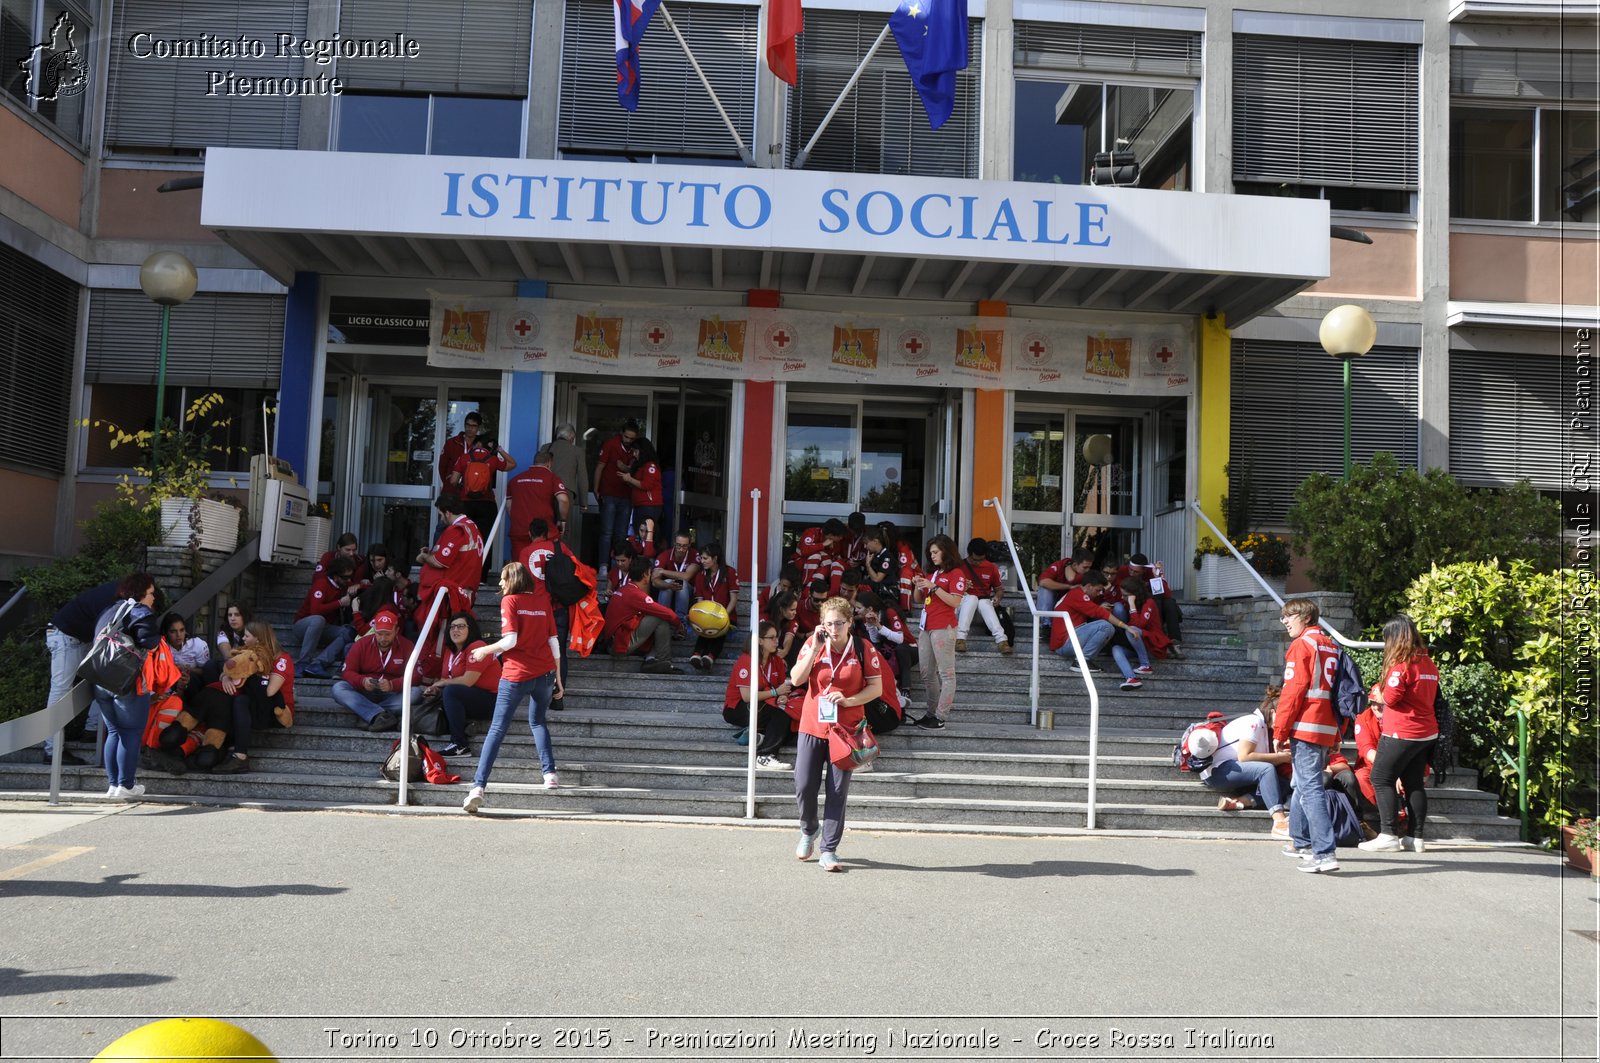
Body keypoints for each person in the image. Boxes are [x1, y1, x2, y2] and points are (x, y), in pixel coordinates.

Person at [788, 596, 885, 872]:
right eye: (829, 623)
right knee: (804, 784)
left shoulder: (863, 649)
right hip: (813, 724)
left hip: (846, 730)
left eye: (839, 623)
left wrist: (848, 700)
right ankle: (809, 829)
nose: (834, 628)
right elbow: (796, 679)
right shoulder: (813, 643)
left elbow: (875, 689)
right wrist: (814, 648)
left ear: (850, 622)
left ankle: (829, 849)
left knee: (837, 790)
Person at [463, 563, 564, 812]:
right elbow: (554, 644)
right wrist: (559, 679)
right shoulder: (543, 602)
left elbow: (510, 640)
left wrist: (483, 650)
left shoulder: (510, 602)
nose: (500, 583)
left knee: (497, 729)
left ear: (513, 579)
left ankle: (478, 787)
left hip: (516, 674)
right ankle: (549, 774)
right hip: (544, 675)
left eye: (503, 578)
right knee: (538, 722)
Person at [1359, 615, 1441, 854]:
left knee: (1381, 778)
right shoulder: (1427, 662)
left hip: (1402, 732)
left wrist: (1380, 693)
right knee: (1413, 783)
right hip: (1426, 732)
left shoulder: (1401, 664)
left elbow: (1391, 699)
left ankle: (1388, 834)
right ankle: (1415, 838)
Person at [1273, 597, 1343, 873]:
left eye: (1288, 616)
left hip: (1307, 724)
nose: (1285, 622)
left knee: (1310, 786)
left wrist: (1279, 729)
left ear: (1303, 617)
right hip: (1327, 724)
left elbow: (1293, 691)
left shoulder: (1302, 645)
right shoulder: (1330, 645)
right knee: (1302, 784)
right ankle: (1300, 842)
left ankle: (1324, 853)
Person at [89, 573, 163, 800]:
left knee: (113, 732)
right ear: (140, 593)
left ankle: (113, 785)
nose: (153, 599)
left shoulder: (110, 610)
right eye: (151, 593)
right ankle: (126, 784)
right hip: (127, 682)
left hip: (102, 680)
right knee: (131, 732)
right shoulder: (139, 610)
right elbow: (150, 640)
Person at [38, 577, 121, 764]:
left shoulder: (116, 593)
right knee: (60, 692)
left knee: (103, 679)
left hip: (74, 637)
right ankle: (52, 750)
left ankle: (91, 729)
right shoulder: (115, 600)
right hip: (67, 638)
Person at [1202, 686, 1292, 836]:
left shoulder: (1264, 729)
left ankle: (1238, 802)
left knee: (1282, 784)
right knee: (1266, 769)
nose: (1284, 724)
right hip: (1218, 770)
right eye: (1283, 718)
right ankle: (1279, 821)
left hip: (1233, 770)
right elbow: (1245, 756)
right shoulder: (1254, 722)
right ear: (1272, 713)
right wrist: (1281, 757)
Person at [211, 621, 295, 775]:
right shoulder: (249, 653)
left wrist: (248, 675)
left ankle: (240, 756)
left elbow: (270, 692)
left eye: (246, 636)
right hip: (256, 705)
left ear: (258, 639)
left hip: (277, 711)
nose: (243, 638)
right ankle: (224, 745)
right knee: (232, 696)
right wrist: (226, 678)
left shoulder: (282, 660)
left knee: (241, 700)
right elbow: (233, 668)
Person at [1049, 570, 1145, 690]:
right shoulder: (1077, 595)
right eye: (1098, 590)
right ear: (1089, 586)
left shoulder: (1077, 594)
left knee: (1104, 625)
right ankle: (1082, 661)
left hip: (1068, 640)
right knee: (1106, 626)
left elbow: (1091, 610)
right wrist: (1126, 627)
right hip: (1065, 643)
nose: (1099, 593)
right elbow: (1101, 613)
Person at [423, 612, 501, 759]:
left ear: (470, 629)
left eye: (460, 626)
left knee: (452, 691)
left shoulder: (478, 647)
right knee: (431, 695)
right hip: (468, 699)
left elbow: (467, 681)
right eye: (452, 627)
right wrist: (435, 689)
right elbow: (445, 679)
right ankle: (464, 727)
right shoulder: (450, 651)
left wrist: (444, 683)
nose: (455, 630)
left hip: (492, 700)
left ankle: (460, 744)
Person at [331, 611, 421, 732]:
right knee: (338, 688)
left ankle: (370, 715)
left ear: (397, 630)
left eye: (388, 634)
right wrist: (362, 681)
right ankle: (380, 715)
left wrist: (392, 685)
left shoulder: (407, 646)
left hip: (392, 693)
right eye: (379, 634)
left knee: (416, 693)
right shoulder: (361, 644)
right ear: (374, 630)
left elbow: (416, 676)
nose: (383, 638)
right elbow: (347, 672)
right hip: (365, 691)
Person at [912, 534, 967, 730]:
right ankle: (931, 713)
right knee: (927, 673)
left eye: (935, 552)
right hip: (927, 626)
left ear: (946, 551)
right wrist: (918, 585)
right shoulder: (933, 573)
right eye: (930, 553)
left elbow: (955, 601)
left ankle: (940, 716)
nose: (932, 556)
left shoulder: (957, 573)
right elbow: (919, 600)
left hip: (944, 627)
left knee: (947, 674)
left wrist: (933, 587)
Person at [724, 620, 795, 770]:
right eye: (772, 638)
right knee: (780, 715)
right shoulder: (746, 661)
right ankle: (765, 756)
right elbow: (747, 696)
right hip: (737, 707)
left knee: (789, 718)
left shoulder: (776, 661)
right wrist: (776, 693)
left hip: (765, 703)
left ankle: (760, 736)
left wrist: (783, 697)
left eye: (777, 637)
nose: (777, 641)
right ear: (760, 640)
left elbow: (781, 687)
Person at [602, 555, 685, 673]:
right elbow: (668, 613)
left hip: (614, 642)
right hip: (618, 645)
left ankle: (650, 660)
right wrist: (679, 626)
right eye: (650, 573)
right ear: (646, 574)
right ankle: (664, 661)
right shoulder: (635, 594)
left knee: (649, 617)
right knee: (660, 618)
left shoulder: (624, 589)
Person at [415, 493, 483, 627]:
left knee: (446, 632)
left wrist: (424, 557)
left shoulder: (457, 529)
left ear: (447, 512)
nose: (441, 519)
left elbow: (439, 562)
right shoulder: (471, 526)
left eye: (441, 514)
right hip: (467, 587)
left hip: (455, 591)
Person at [449, 433, 516, 564]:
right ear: (489, 447)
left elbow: (453, 480)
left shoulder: (464, 458)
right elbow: (512, 464)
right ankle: (483, 575)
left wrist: (462, 487)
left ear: (476, 445)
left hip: (465, 504)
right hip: (487, 504)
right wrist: (499, 450)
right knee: (485, 538)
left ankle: (463, 571)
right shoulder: (492, 459)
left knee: (464, 537)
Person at [290, 554, 358, 676]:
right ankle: (303, 662)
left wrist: (360, 584)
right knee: (318, 619)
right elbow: (315, 610)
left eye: (350, 577)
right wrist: (339, 603)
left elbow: (361, 585)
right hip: (303, 627)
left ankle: (318, 664)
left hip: (323, 628)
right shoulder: (322, 584)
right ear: (336, 576)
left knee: (348, 631)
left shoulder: (343, 584)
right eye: (346, 578)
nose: (349, 580)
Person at [593, 418, 641, 582]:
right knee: (606, 532)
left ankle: (617, 567)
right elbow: (599, 467)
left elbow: (637, 472)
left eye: (631, 438)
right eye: (626, 437)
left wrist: (628, 468)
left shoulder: (636, 449)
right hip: (609, 494)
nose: (628, 441)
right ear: (621, 434)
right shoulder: (610, 444)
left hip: (626, 496)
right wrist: (596, 488)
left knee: (621, 534)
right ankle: (603, 566)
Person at [506, 446, 570, 561]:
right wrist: (563, 520)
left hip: (519, 530)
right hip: (545, 532)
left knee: (520, 568)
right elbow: (563, 499)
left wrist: (519, 522)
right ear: (549, 464)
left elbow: (509, 506)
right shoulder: (552, 478)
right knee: (546, 568)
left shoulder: (515, 480)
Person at [956, 537, 1012, 655]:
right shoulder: (959, 566)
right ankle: (960, 638)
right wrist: (962, 587)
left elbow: (999, 590)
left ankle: (1002, 641)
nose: (978, 563)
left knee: (983, 602)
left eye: (981, 559)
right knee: (972, 598)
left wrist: (997, 597)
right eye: (975, 560)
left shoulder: (991, 567)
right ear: (969, 554)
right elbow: (950, 591)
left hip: (983, 602)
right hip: (962, 601)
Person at [688, 543, 739, 672]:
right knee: (705, 625)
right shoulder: (700, 576)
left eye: (705, 558)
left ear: (715, 558)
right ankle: (697, 654)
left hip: (727, 616)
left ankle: (710, 656)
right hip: (706, 616)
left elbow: (733, 599)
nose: (702, 561)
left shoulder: (730, 572)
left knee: (718, 627)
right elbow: (699, 601)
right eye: (701, 558)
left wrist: (723, 616)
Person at [1126, 552, 1184, 657]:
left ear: (1144, 570)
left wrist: (1156, 577)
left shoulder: (1152, 572)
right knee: (1154, 601)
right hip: (1137, 607)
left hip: (1154, 607)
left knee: (1169, 602)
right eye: (1130, 570)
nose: (1131, 573)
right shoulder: (1124, 571)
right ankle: (1161, 639)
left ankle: (1175, 642)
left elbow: (1167, 595)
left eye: (1136, 572)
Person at [547, 422, 590, 554]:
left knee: (546, 526)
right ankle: (560, 562)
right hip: (566, 493)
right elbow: (582, 477)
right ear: (571, 436)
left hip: (545, 491)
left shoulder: (546, 448)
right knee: (563, 529)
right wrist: (584, 503)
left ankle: (544, 558)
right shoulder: (577, 451)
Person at [651, 530, 701, 627]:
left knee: (682, 582)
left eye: (684, 546)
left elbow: (687, 576)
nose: (681, 549)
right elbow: (654, 581)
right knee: (668, 582)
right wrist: (668, 584)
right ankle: (663, 622)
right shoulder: (664, 555)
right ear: (674, 543)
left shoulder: (695, 554)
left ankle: (680, 623)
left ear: (690, 544)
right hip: (669, 591)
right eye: (678, 545)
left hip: (689, 594)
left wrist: (663, 571)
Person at [619, 437, 664, 534]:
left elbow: (646, 485)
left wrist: (630, 479)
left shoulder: (650, 466)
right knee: (638, 535)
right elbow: (637, 485)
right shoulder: (641, 466)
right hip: (640, 505)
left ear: (643, 451)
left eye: (636, 451)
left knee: (646, 536)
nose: (634, 454)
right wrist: (627, 479)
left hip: (649, 506)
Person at [160, 612, 210, 694]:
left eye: (182, 630)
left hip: (194, 684)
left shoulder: (197, 644)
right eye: (173, 631)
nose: (178, 635)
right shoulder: (161, 648)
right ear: (166, 632)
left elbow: (206, 671)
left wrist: (189, 670)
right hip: (171, 684)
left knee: (211, 665)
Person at [1036, 549, 1092, 616]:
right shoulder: (1059, 566)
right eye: (1085, 567)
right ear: (1074, 565)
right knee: (1045, 589)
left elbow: (1071, 578)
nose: (1088, 570)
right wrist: (1069, 586)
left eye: (1089, 567)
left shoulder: (1086, 575)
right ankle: (1045, 624)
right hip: (1055, 601)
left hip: (1070, 607)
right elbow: (1043, 582)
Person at [437, 409, 482, 488]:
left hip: (473, 491)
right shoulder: (452, 442)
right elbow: (442, 466)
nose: (469, 428)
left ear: (478, 428)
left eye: (473, 426)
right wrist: (448, 482)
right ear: (464, 425)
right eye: (467, 425)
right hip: (452, 490)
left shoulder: (481, 446)